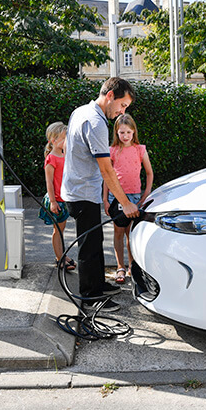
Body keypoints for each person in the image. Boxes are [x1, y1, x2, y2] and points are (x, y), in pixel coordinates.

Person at [61, 77, 140, 312]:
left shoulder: (81, 111)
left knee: (95, 241)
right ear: (110, 96)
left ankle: (97, 285)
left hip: (79, 188)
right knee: (89, 246)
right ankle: (91, 297)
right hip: (82, 192)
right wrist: (125, 203)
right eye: (122, 105)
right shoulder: (96, 122)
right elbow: (107, 169)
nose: (122, 111)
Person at [103, 113, 153, 285]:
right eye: (121, 132)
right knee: (118, 232)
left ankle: (133, 264)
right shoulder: (112, 151)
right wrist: (105, 199)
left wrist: (146, 193)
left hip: (135, 197)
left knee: (131, 233)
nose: (125, 136)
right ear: (116, 133)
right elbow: (107, 177)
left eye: (128, 133)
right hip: (116, 198)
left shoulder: (140, 150)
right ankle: (120, 266)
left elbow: (149, 172)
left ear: (134, 132)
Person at [38, 122, 76, 271]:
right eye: (64, 138)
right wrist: (53, 202)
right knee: (58, 230)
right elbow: (49, 182)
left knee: (61, 229)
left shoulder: (65, 154)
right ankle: (59, 259)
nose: (67, 141)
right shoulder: (51, 159)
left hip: (64, 198)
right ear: (53, 140)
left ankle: (61, 255)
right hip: (57, 200)